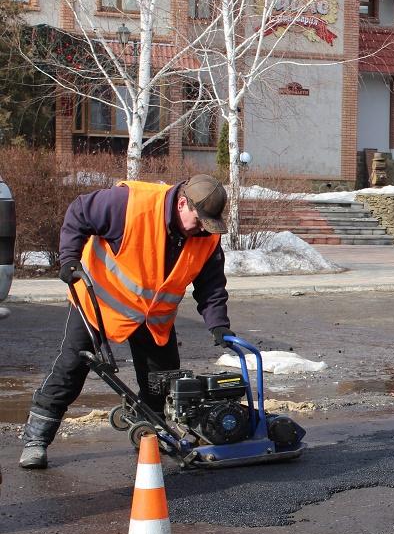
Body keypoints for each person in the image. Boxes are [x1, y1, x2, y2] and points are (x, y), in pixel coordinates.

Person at [19, 173, 235, 470]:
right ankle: (36, 440)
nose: (201, 230)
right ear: (182, 203)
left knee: (161, 381)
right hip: (100, 303)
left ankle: (148, 435)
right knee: (71, 368)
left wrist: (218, 324)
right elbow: (79, 211)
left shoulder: (207, 237)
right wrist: (69, 258)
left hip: (152, 317)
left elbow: (211, 286)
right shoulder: (129, 204)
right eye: (198, 221)